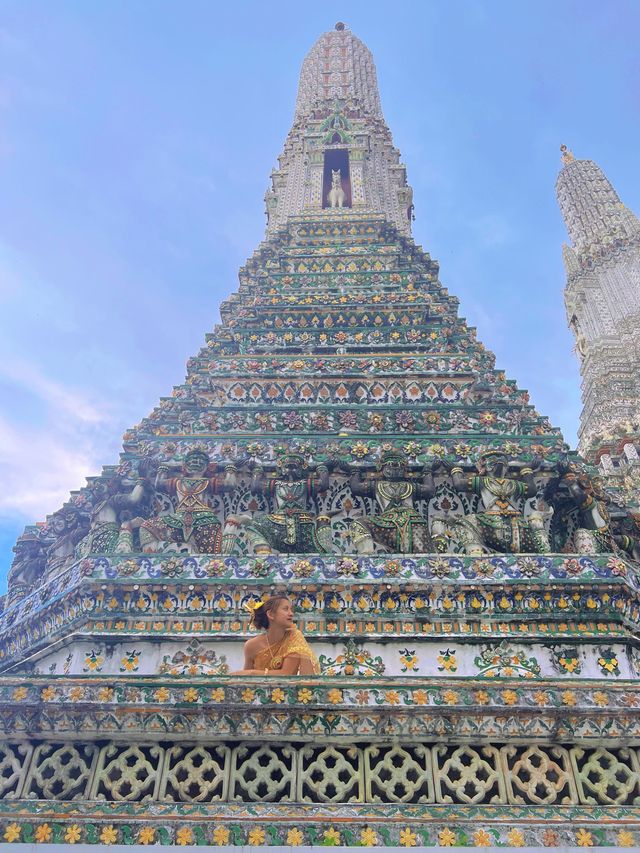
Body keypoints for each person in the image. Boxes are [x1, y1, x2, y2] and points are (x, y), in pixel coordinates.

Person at [233, 596, 320, 675]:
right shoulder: (251, 646)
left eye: (291, 610)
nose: (291, 613)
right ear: (270, 614)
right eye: (286, 609)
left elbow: (286, 673)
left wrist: (252, 673)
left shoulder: (293, 637)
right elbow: (245, 679)